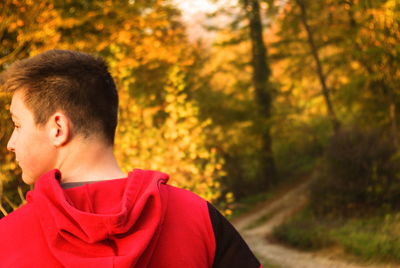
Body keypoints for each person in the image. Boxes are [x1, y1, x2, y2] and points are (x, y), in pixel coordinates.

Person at [0, 50, 261, 267]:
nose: (11, 144)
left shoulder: (7, 240)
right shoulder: (199, 218)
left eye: (18, 125)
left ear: (58, 128)